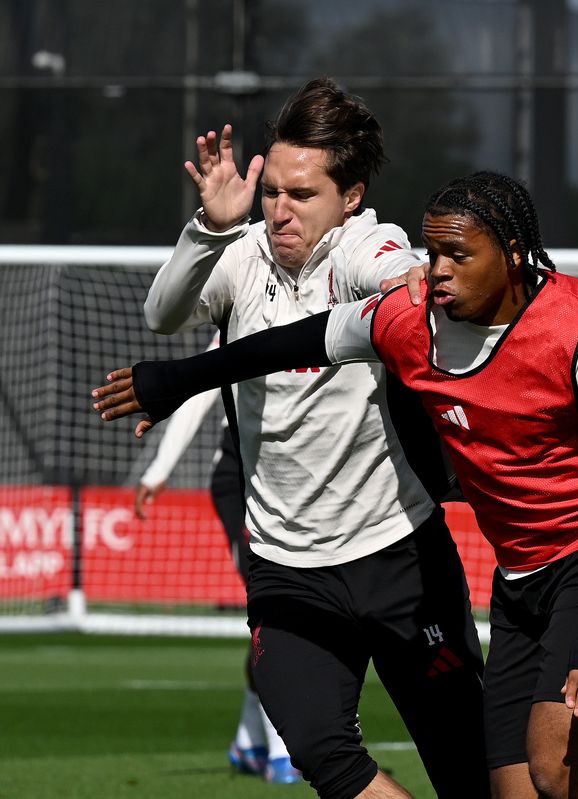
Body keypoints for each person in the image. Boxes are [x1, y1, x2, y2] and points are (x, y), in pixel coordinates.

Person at [93, 171, 578, 799]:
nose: (436, 270)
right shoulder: (410, 321)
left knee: (557, 773)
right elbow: (295, 340)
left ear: (514, 256)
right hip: (520, 579)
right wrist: (175, 380)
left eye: (458, 254)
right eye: (432, 252)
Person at [139, 78, 488, 799]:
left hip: (398, 554)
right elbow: (161, 316)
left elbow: (401, 276)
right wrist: (210, 226)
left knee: (469, 769)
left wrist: (418, 282)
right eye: (273, 191)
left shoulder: (367, 246)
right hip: (287, 566)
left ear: (350, 196)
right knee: (325, 754)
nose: (280, 210)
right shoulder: (239, 256)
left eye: (303, 194)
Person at [134, 338, 299, 784]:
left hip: (301, 473)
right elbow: (197, 390)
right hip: (242, 473)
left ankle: (249, 742)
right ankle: (282, 749)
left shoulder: (333, 294)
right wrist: (159, 470)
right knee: (276, 604)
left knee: (299, 607)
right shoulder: (242, 299)